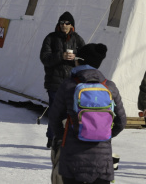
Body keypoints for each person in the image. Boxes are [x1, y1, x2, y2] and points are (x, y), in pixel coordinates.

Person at [49, 43, 125, 184]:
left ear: (79, 61)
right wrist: (103, 133)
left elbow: (54, 118)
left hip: (72, 156)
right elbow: (121, 122)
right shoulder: (109, 86)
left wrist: (65, 136)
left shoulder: (68, 85)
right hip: (102, 160)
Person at [40, 11, 86, 148]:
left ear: (72, 25)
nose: (64, 25)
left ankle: (66, 138)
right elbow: (45, 58)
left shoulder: (77, 39)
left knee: (71, 112)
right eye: (62, 23)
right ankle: (52, 137)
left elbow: (85, 58)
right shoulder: (51, 38)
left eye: (67, 23)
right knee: (55, 111)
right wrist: (61, 56)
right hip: (55, 82)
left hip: (72, 83)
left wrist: (75, 57)